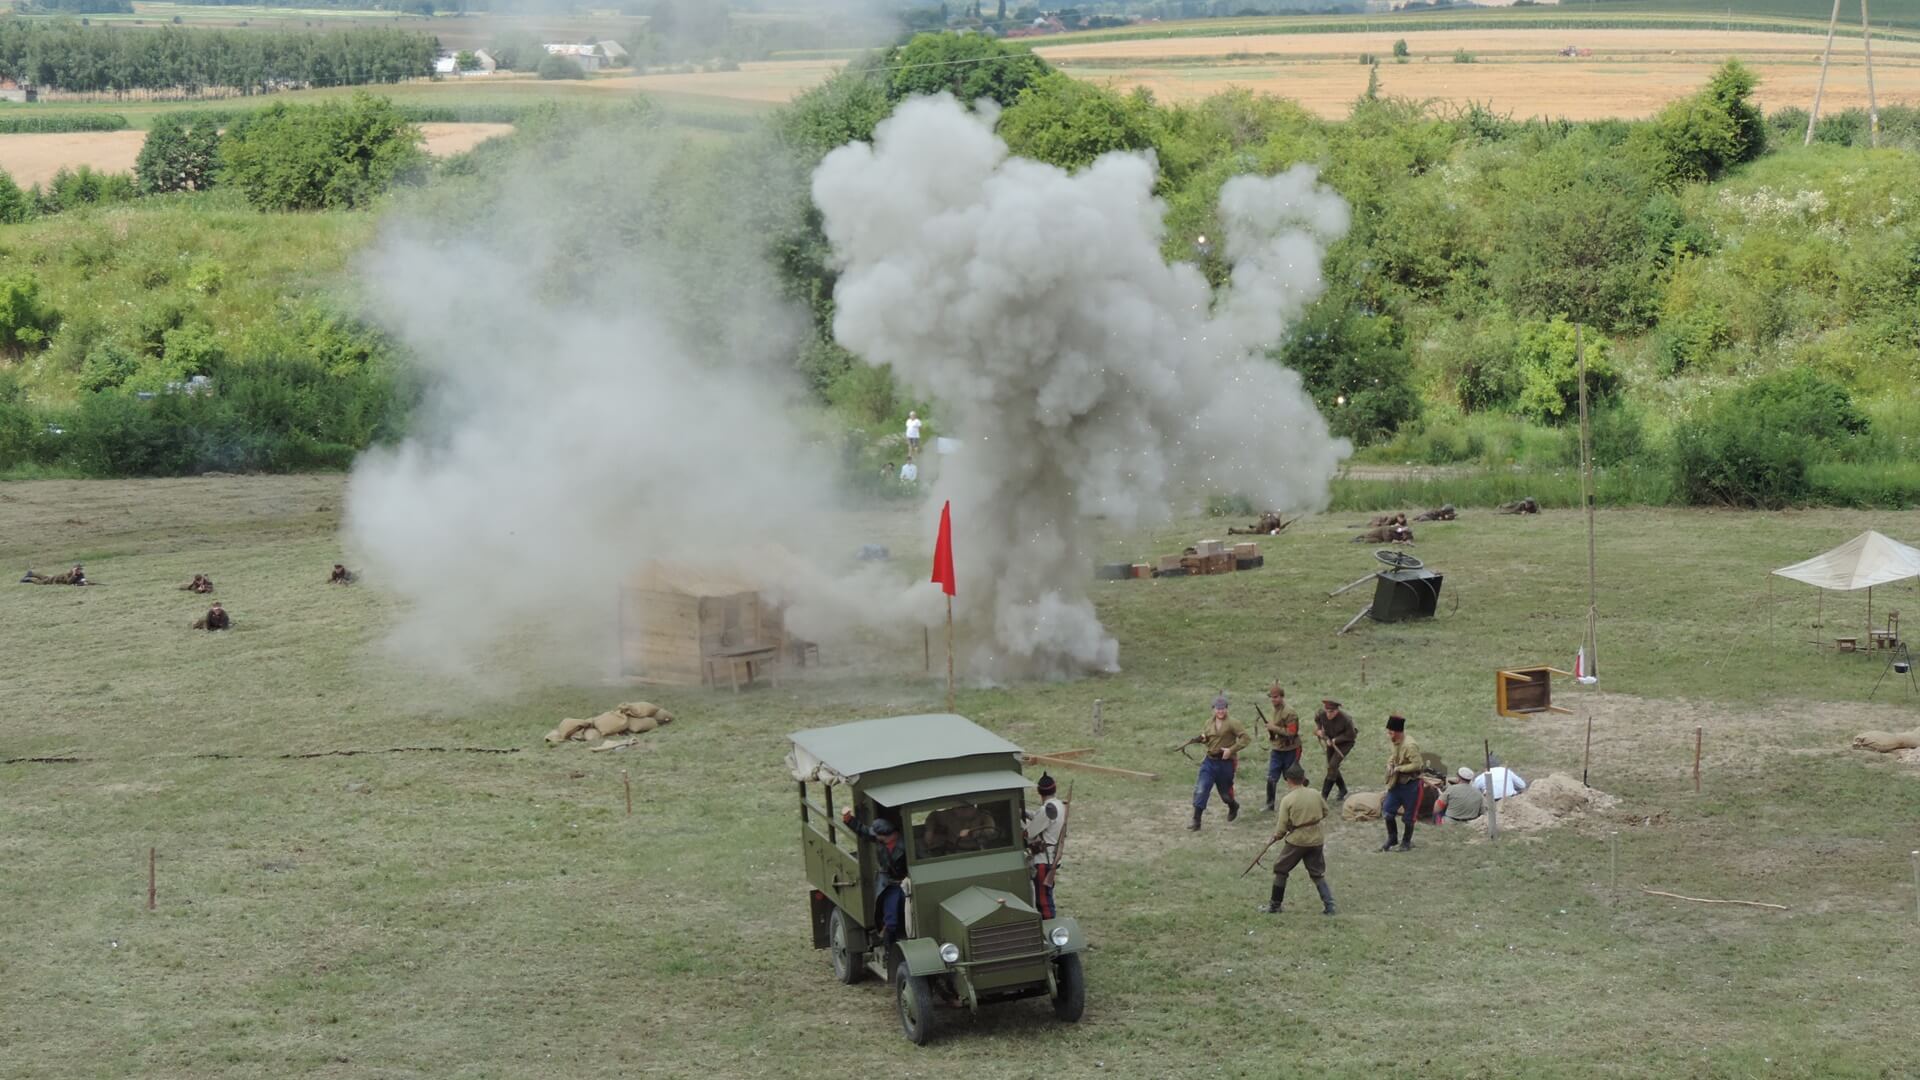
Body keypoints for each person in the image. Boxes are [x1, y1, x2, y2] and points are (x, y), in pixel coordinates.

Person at [1263, 764, 1336, 916]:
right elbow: (1326, 811)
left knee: (1281, 869)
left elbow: (1282, 827)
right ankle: (1329, 906)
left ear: (1288, 780)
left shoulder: (1287, 800)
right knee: (1317, 873)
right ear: (1303, 779)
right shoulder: (1315, 793)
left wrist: (1276, 836)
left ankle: (1275, 906)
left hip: (1297, 841)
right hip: (1316, 839)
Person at [842, 811, 909, 951]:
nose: (875, 837)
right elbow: (864, 831)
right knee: (890, 922)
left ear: (887, 835)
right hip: (889, 885)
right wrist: (849, 819)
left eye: (878, 835)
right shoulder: (881, 839)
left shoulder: (906, 845)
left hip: (905, 884)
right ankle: (889, 950)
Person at [1188, 693, 1249, 831]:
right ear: (1213, 709)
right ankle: (1196, 821)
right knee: (1201, 789)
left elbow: (1245, 739)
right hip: (1209, 761)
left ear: (1226, 709)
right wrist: (1202, 739)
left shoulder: (1233, 723)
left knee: (1225, 795)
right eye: (1217, 708)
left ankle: (1233, 805)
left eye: (1223, 708)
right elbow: (1207, 738)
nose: (1220, 711)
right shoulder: (1208, 722)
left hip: (1225, 763)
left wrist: (1231, 750)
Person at [1023, 773, 1067, 918]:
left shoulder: (1046, 809)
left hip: (1043, 859)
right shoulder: (1059, 805)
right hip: (1052, 857)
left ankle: (1049, 927)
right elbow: (1041, 818)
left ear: (1039, 791)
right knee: (1045, 896)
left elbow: (1029, 833)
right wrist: (1024, 813)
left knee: (1043, 902)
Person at [1379, 714, 1423, 852]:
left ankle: (1406, 842)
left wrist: (1399, 768)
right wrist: (1390, 764)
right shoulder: (1395, 742)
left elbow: (1417, 764)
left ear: (1398, 732)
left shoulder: (1410, 745)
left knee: (1409, 817)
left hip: (1411, 785)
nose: (1389, 734)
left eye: (1391, 732)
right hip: (1397, 784)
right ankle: (1392, 838)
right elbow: (1394, 755)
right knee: (1388, 811)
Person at [1262, 682, 1302, 813]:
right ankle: (1270, 805)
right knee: (1271, 777)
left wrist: (1274, 728)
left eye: (1276, 697)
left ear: (1282, 697)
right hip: (1277, 749)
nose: (1273, 699)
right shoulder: (1275, 710)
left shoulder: (1290, 712)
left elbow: (1292, 732)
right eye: (1272, 697)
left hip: (1290, 749)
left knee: (1291, 777)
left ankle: (1301, 799)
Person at [1313, 698, 1357, 802]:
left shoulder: (1346, 719)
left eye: (1331, 712)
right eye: (1327, 711)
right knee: (1331, 766)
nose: (1328, 714)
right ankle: (1343, 789)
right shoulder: (1322, 714)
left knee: (1333, 765)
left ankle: (1324, 796)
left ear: (1337, 711)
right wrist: (1319, 730)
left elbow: (1351, 735)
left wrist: (1335, 740)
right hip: (1330, 740)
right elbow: (1317, 719)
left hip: (1345, 743)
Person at [23, 565, 88, 586]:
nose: (79, 571)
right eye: (78, 569)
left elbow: (82, 580)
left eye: (80, 569)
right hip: (53, 580)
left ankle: (31, 573)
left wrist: (83, 582)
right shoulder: (68, 574)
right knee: (41, 582)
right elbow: (68, 582)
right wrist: (74, 574)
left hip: (53, 577)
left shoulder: (80, 574)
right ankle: (29, 579)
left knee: (43, 577)